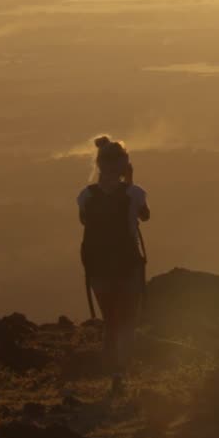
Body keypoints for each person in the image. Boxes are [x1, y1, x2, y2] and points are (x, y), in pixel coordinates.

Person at [78, 136, 150, 395]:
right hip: (128, 263)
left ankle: (111, 367)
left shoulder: (86, 195)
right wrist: (129, 181)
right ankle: (121, 370)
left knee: (111, 319)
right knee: (129, 318)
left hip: (98, 267)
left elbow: (84, 222)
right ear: (124, 165)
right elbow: (145, 216)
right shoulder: (134, 192)